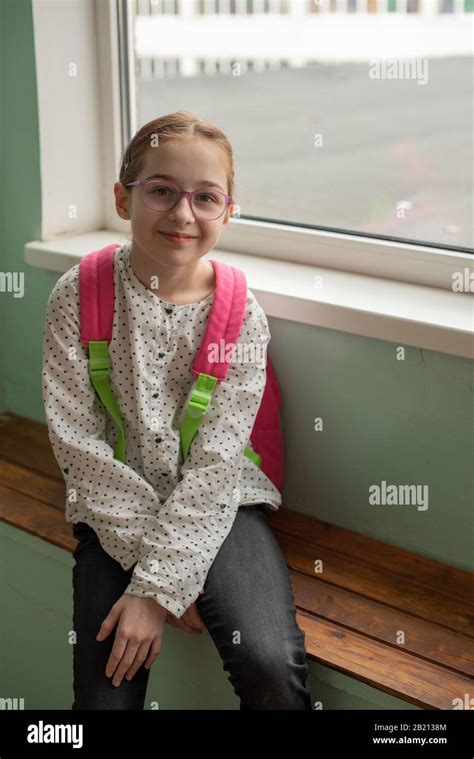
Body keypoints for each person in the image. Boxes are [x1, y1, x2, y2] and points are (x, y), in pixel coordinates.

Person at [42, 111, 312, 710]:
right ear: (123, 197)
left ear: (228, 212)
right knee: (104, 691)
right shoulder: (78, 296)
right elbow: (79, 448)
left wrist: (158, 588)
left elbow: (217, 465)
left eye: (205, 198)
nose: (183, 214)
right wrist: (164, 583)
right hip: (115, 501)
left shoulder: (241, 316)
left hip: (219, 502)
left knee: (270, 662)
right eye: (161, 190)